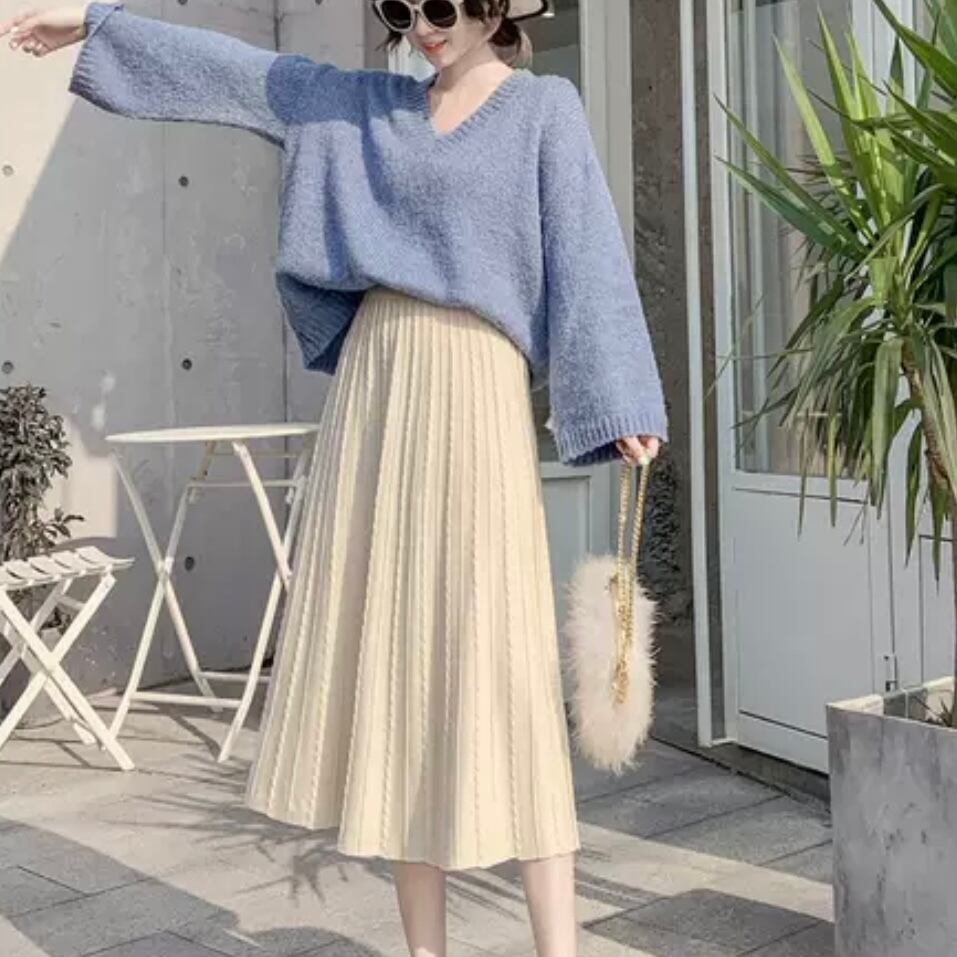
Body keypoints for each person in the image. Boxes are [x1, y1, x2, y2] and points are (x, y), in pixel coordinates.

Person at [1, 1, 668, 953]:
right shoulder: (360, 106)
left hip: (476, 393)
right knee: (394, 669)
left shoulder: (541, 109)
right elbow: (231, 73)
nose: (422, 26)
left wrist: (621, 399)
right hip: (376, 392)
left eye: (442, 7)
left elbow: (587, 251)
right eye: (400, 8)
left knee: (503, 663)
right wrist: (92, 21)